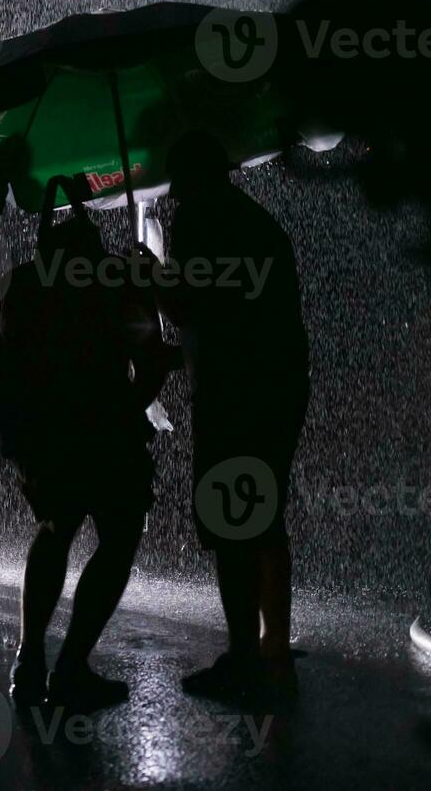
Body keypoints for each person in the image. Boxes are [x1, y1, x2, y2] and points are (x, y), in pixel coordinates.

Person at [0, 175, 176, 710]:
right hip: (105, 430)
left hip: (43, 435)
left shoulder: (23, 286)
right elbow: (149, 363)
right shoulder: (117, 279)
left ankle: (29, 662)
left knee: (54, 530)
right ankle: (71, 665)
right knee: (118, 539)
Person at [147, 131, 309, 701]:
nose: (170, 193)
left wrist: (152, 278)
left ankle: (244, 657)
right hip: (280, 388)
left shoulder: (199, 221)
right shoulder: (257, 221)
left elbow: (192, 307)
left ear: (189, 179)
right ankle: (272, 647)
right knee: (264, 516)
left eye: (174, 180)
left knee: (232, 518)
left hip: (233, 396)